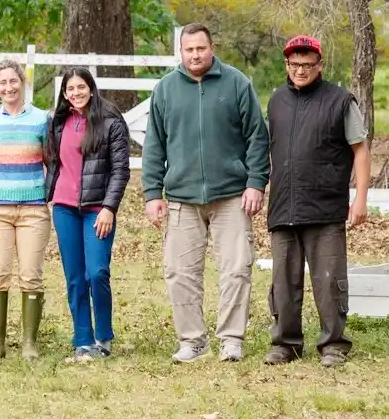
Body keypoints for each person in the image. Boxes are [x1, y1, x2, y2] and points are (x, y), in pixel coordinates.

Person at [142, 22, 270, 363]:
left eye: (201, 48)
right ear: (180, 52)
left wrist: (256, 182)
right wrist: (153, 193)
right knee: (179, 272)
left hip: (231, 194)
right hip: (182, 196)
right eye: (189, 49)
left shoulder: (237, 83)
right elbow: (155, 144)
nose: (195, 54)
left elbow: (257, 136)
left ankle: (231, 340)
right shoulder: (166, 89)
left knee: (236, 268)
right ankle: (193, 342)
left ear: (212, 48)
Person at [262, 35, 371, 368]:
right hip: (284, 206)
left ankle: (334, 344)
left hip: (325, 208)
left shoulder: (340, 101)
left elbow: (361, 149)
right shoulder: (276, 100)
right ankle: (286, 343)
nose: (300, 70)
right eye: (294, 65)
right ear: (286, 65)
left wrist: (360, 199)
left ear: (319, 65)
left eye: (307, 65)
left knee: (329, 282)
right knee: (283, 282)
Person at [45, 68, 130, 362]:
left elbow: (121, 170)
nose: (76, 93)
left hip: (98, 209)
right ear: (65, 93)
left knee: (97, 273)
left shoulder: (110, 121)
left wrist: (109, 208)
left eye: (81, 87)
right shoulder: (57, 122)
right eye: (71, 89)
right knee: (75, 277)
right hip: (64, 208)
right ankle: (83, 339)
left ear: (91, 88)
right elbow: (53, 161)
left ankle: (103, 337)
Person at [0, 59, 51, 361]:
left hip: (33, 209)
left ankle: (29, 343)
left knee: (31, 274)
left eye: (13, 81)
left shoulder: (41, 119)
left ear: (23, 82)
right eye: (2, 83)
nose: (8, 87)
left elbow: (50, 158)